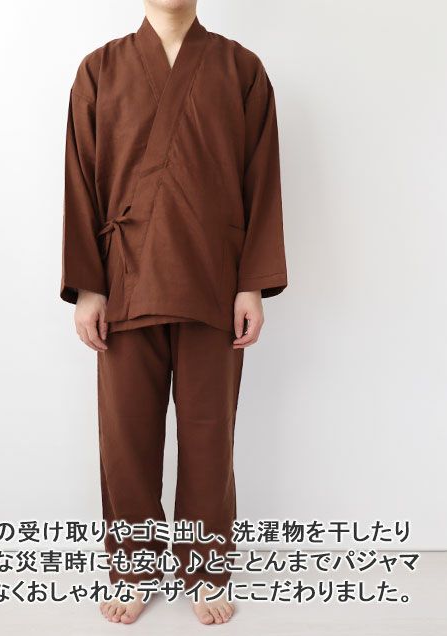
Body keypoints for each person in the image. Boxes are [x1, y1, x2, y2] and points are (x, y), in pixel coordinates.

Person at [60, 0, 287, 625]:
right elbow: (80, 180)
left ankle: (205, 569)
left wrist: (251, 284)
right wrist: (88, 287)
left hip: (214, 281)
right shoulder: (99, 70)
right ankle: (133, 566)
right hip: (124, 282)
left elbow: (261, 178)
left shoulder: (241, 69)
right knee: (126, 438)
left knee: (210, 438)